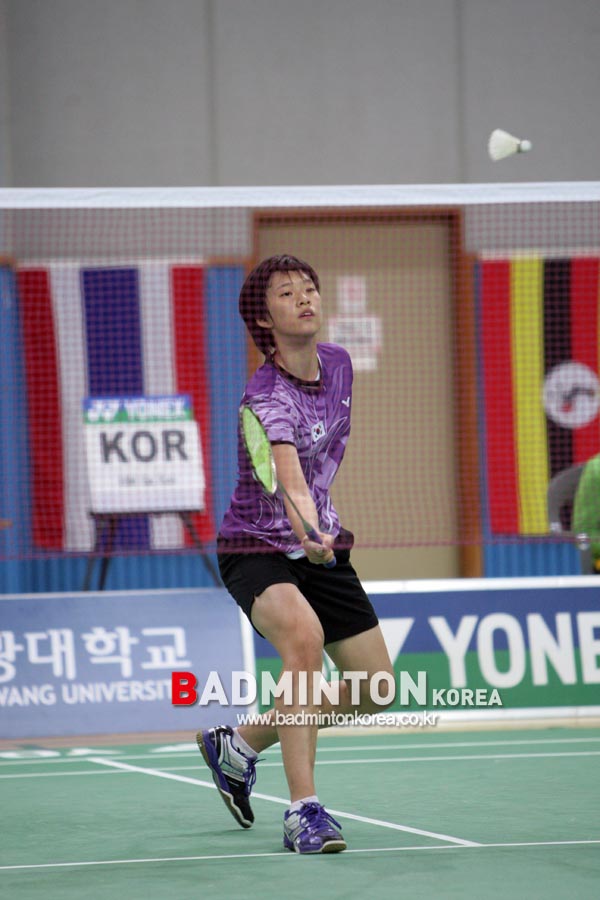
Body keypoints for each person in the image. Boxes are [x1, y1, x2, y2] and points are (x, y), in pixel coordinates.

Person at [197, 254, 395, 855]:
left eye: (309, 288)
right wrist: (306, 526)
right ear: (264, 318)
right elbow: (290, 479)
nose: (305, 298)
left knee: (376, 688)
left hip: (320, 546)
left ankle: (239, 745)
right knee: (304, 642)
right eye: (287, 293)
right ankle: (303, 811)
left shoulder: (339, 364)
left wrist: (319, 536)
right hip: (256, 547)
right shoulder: (265, 396)